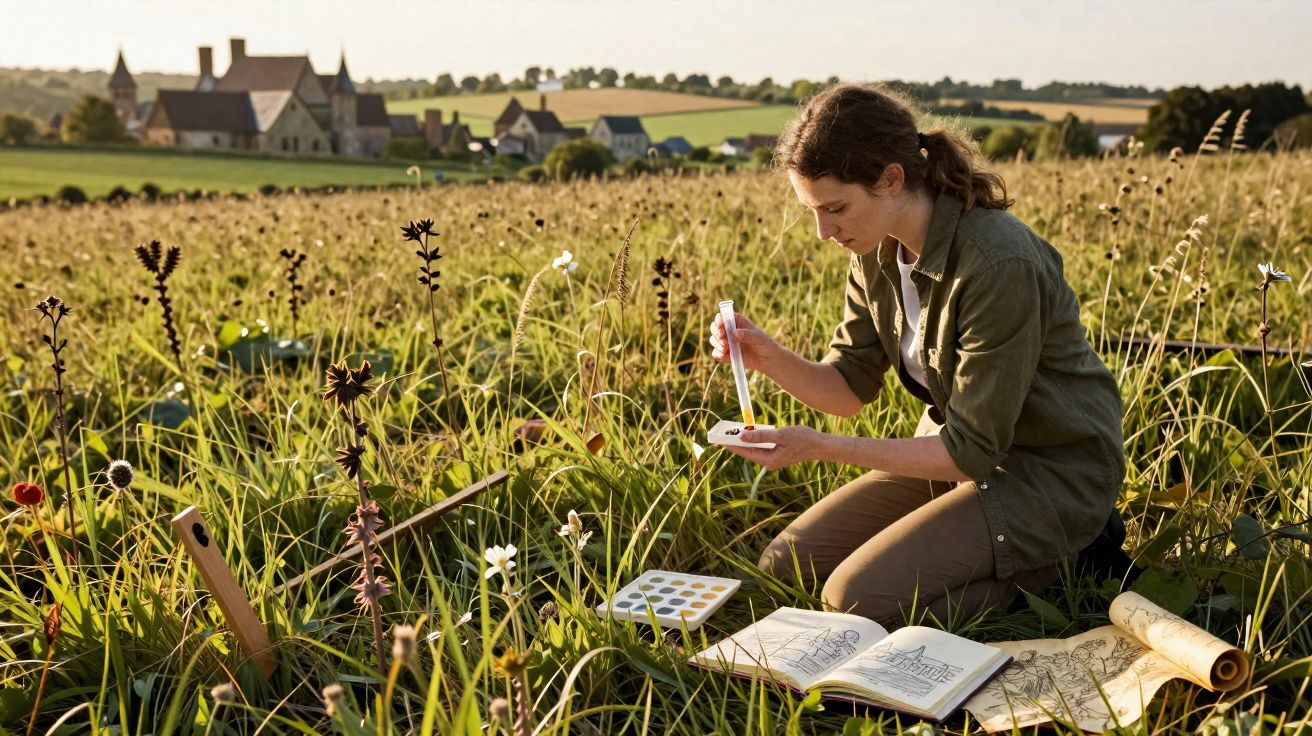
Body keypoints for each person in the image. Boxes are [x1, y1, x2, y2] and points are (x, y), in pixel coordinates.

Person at [708, 83, 1126, 628]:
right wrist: (763, 355)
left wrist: (818, 448)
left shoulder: (998, 262)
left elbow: (972, 450)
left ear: (892, 179)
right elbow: (847, 389)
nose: (823, 231)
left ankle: (1071, 557)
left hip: (1044, 472)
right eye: (814, 211)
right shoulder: (875, 251)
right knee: (787, 566)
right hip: (955, 458)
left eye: (835, 208)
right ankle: (979, 552)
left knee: (855, 600)